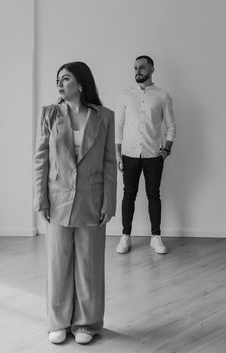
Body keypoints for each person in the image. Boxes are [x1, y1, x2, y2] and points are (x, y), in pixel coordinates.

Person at [34, 61, 117, 345]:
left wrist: (110, 201)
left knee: (89, 264)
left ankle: (87, 323)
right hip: (57, 199)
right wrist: (39, 196)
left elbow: (109, 162)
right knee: (58, 264)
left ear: (81, 83)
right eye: (58, 78)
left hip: (92, 200)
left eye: (66, 78)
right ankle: (58, 322)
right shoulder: (49, 114)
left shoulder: (105, 116)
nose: (59, 83)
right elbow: (41, 159)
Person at [115, 55, 176, 255]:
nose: (137, 71)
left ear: (151, 69)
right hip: (129, 154)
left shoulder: (162, 96)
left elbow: (171, 126)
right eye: (134, 68)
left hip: (153, 154)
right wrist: (118, 153)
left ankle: (156, 237)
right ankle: (125, 237)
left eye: (142, 67)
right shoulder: (125, 95)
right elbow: (119, 126)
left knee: (153, 196)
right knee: (128, 195)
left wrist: (166, 150)